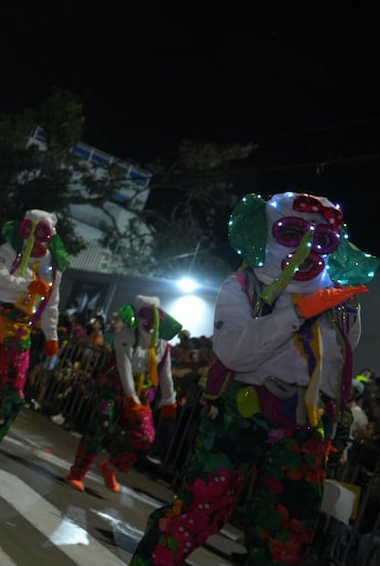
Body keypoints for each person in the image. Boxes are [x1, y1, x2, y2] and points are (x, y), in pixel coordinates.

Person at [131, 191, 375, 565]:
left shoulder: (342, 302)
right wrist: (299, 311)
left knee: (286, 539)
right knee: (198, 515)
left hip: (303, 427)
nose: (308, 247)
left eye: (323, 239)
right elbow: (235, 353)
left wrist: (331, 424)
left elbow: (335, 365)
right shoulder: (243, 285)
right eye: (292, 233)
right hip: (239, 415)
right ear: (266, 234)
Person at [0, 209, 69, 468]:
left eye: (41, 231)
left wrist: (52, 335)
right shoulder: (9, 249)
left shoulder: (54, 268)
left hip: (20, 324)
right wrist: (28, 285)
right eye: (29, 228)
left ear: (50, 235)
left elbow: (52, 303)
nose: (34, 236)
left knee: (14, 392)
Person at [64, 295, 180, 493]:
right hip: (115, 387)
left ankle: (111, 466)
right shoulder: (125, 335)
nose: (150, 325)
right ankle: (77, 473)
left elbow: (165, 373)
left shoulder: (163, 344)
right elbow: (124, 366)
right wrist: (130, 397)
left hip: (142, 392)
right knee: (100, 425)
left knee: (145, 436)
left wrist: (170, 400)